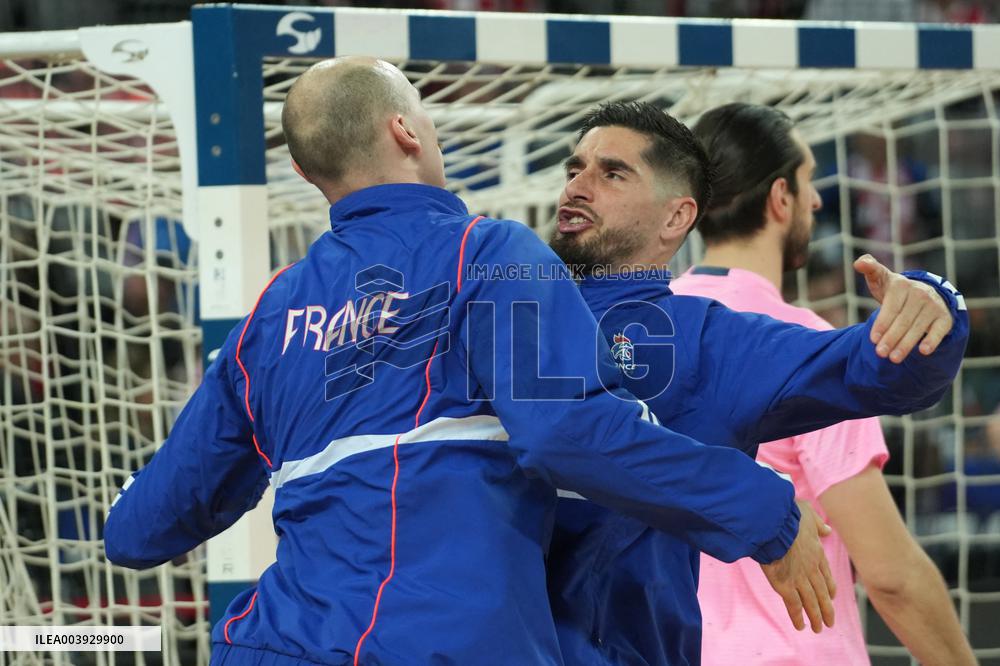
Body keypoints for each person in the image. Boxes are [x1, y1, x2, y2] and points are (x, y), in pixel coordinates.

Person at [103, 58, 829, 665]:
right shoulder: (493, 254)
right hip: (443, 641)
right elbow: (566, 431)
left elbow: (137, 532)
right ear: (406, 130)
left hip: (276, 643)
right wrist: (762, 506)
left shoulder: (268, 319)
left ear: (301, 168)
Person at [544, 101, 969, 665]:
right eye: (575, 169)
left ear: (679, 217)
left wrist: (934, 307)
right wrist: (764, 505)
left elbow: (874, 366)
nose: (577, 186)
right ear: (780, 196)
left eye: (612, 173)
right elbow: (890, 573)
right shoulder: (511, 320)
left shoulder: (712, 339)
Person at [681, 102, 977, 666]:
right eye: (809, 178)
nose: (817, 199)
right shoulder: (804, 344)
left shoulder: (649, 329)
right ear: (780, 197)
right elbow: (890, 576)